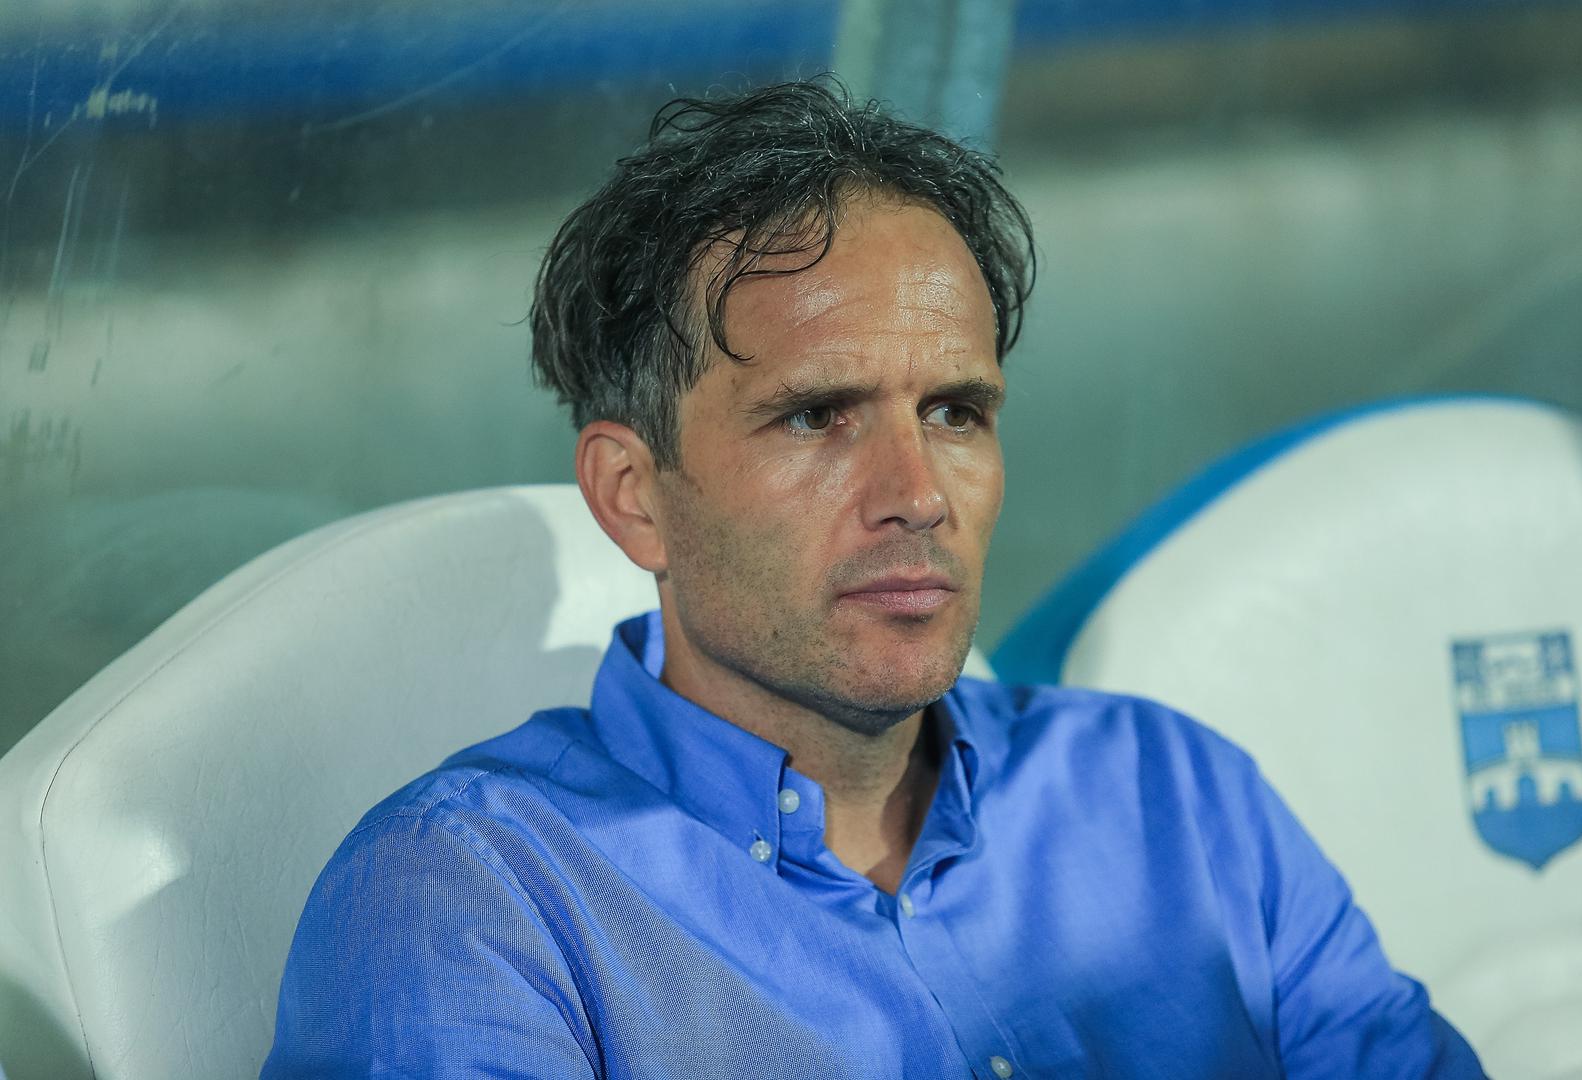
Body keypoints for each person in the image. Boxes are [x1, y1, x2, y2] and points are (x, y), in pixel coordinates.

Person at [262, 80, 1484, 1078]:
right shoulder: (478, 903)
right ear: (634, 495)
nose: (917, 491)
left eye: (955, 411)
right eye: (817, 416)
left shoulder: (1180, 802)